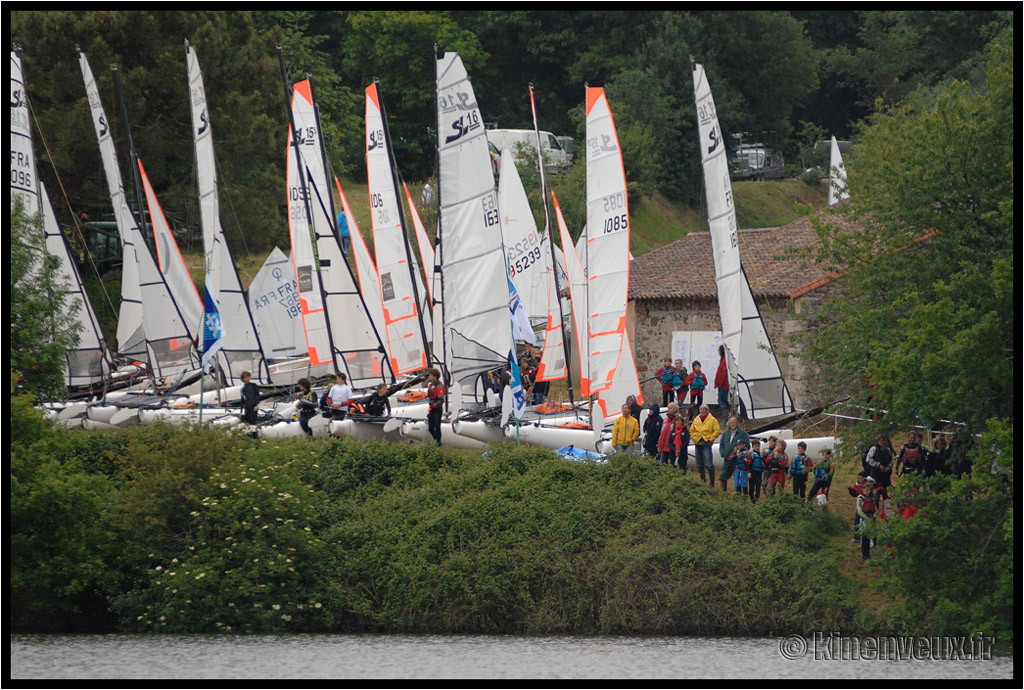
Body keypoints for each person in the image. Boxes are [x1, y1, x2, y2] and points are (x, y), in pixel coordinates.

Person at [690, 403, 720, 487]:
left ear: (708, 411)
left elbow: (717, 430)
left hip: (706, 442)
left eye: (704, 409)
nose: (703, 411)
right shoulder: (696, 419)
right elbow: (691, 430)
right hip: (698, 442)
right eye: (701, 409)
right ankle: (702, 481)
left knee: (709, 463)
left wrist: (711, 438)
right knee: (699, 463)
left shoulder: (712, 419)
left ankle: (711, 483)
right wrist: (694, 438)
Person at [718, 415, 750, 492]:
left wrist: (740, 451)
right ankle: (723, 493)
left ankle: (739, 494)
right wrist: (723, 453)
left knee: (738, 478)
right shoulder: (726, 433)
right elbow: (721, 444)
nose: (732, 424)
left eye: (734, 422)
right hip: (728, 458)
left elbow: (747, 446)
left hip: (738, 460)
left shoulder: (743, 433)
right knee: (723, 476)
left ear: (737, 423)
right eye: (731, 423)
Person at [857, 477, 879, 561]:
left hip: (871, 519)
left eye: (869, 490)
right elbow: (859, 511)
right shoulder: (860, 498)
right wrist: (867, 518)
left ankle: (868, 554)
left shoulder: (872, 498)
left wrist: (873, 517)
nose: (868, 491)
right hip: (864, 520)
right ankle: (864, 555)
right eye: (866, 490)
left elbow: (876, 509)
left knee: (869, 537)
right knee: (864, 538)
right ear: (863, 490)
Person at [426, 368, 446, 446]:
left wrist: (434, 405)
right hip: (432, 408)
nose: (429, 377)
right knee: (431, 427)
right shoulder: (431, 385)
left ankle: (438, 442)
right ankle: (436, 440)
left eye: (430, 375)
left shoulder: (439, 386)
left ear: (435, 376)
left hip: (437, 409)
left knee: (437, 426)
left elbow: (441, 399)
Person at [748, 439, 765, 504]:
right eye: (755, 446)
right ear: (753, 447)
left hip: (759, 472)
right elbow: (749, 463)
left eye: (758, 446)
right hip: (753, 472)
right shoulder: (751, 454)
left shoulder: (761, 455)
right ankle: (752, 497)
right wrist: (749, 472)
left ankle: (757, 497)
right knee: (752, 485)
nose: (757, 447)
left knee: (758, 485)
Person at [715, 345, 730, 415]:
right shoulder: (722, 359)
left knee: (722, 400)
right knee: (722, 400)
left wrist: (719, 383)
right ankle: (726, 417)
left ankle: (725, 418)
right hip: (721, 384)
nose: (718, 351)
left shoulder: (724, 360)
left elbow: (723, 374)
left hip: (723, 384)